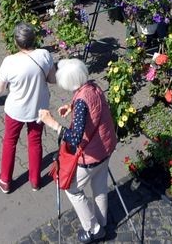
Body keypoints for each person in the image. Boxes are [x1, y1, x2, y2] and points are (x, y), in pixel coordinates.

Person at [37, 59, 118, 244]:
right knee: (100, 186)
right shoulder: (93, 87)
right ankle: (102, 221)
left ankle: (94, 229)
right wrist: (71, 106)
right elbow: (91, 104)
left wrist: (53, 123)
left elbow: (74, 138)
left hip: (91, 156)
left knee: (72, 189)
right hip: (106, 147)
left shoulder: (82, 102)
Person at [0, 24, 55, 193]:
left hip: (16, 110)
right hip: (39, 109)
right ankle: (35, 181)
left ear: (16, 42)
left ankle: (5, 180)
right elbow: (52, 79)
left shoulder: (9, 61)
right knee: (35, 141)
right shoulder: (44, 55)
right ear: (34, 40)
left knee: (10, 141)